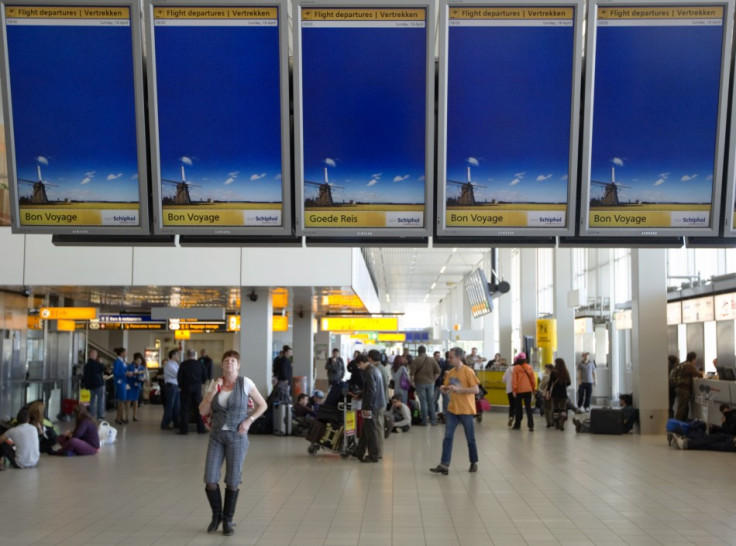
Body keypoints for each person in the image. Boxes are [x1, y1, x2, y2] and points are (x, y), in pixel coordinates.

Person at [199, 350, 267, 536]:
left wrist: (248, 421)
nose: (230, 363)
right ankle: (216, 516)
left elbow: (263, 405)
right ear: (222, 365)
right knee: (210, 479)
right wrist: (213, 391)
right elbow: (203, 410)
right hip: (216, 436)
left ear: (238, 365)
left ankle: (227, 520)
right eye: (227, 360)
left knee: (232, 479)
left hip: (237, 436)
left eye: (233, 360)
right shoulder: (215, 384)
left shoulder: (245, 383)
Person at [430, 347, 480, 475]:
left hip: (466, 410)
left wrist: (459, 390)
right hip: (452, 409)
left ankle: (473, 462)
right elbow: (447, 386)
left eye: (451, 357)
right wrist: (444, 388)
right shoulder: (451, 372)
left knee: (470, 438)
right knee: (447, 437)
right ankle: (444, 464)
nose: (449, 359)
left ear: (458, 358)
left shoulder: (468, 371)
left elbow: (475, 390)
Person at [354, 354, 384, 463]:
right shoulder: (375, 370)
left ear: (362, 363)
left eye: (359, 365)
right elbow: (370, 389)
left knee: (370, 430)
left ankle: (373, 455)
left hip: (372, 406)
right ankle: (359, 451)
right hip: (376, 404)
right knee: (366, 428)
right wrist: (361, 395)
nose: (359, 368)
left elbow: (371, 391)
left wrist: (367, 407)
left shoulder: (369, 372)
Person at [671, 404, 736, 451]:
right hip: (732, 438)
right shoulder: (731, 415)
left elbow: (729, 430)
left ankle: (685, 443)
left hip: (732, 441)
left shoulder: (732, 416)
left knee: (712, 443)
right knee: (713, 439)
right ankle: (686, 443)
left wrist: (724, 423)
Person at [573, 394, 638, 434]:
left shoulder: (629, 409)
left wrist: (611, 420)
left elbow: (624, 421)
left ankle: (581, 427)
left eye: (621, 400)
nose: (620, 401)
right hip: (619, 425)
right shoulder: (626, 408)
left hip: (621, 428)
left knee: (600, 425)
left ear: (624, 400)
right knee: (599, 421)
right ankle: (582, 425)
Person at [178, 348, 208, 434]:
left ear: (187, 355)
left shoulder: (183, 364)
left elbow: (179, 377)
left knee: (185, 409)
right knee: (199, 408)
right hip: (197, 388)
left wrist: (181, 386)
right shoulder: (200, 364)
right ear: (195, 355)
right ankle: (201, 429)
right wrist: (201, 384)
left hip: (185, 388)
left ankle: (184, 430)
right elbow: (205, 376)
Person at [409, 345, 441, 426]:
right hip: (430, 383)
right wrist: (433, 380)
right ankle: (433, 421)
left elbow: (412, 374)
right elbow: (438, 371)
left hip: (419, 383)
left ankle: (424, 421)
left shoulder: (416, 360)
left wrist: (412, 383)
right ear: (425, 351)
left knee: (423, 402)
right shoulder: (432, 360)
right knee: (431, 401)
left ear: (418, 351)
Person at [674, 351, 703, 421]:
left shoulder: (683, 364)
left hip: (678, 387)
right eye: (695, 359)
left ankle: (682, 422)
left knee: (684, 406)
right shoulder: (689, 365)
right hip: (684, 389)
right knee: (682, 407)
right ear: (693, 359)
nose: (695, 361)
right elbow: (697, 374)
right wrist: (702, 373)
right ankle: (677, 424)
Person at [511, 352, 536, 431]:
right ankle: (531, 425)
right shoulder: (529, 367)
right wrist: (533, 389)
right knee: (528, 408)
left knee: (518, 408)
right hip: (528, 390)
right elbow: (533, 380)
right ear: (525, 359)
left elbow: (514, 380)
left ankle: (517, 424)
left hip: (519, 391)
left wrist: (514, 390)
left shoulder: (516, 368)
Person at [547, 358, 571, 431]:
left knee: (556, 409)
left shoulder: (553, 372)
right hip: (563, 393)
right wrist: (564, 385)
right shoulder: (565, 372)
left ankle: (557, 424)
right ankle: (562, 423)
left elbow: (550, 383)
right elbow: (569, 382)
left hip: (555, 393)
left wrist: (548, 390)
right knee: (563, 409)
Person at [82, 348, 106, 420]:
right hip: (98, 384)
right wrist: (101, 362)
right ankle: (100, 415)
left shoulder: (86, 365)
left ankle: (92, 415)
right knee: (100, 400)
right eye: (95, 354)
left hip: (90, 385)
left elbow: (85, 375)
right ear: (92, 354)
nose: (96, 356)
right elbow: (103, 368)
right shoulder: (96, 364)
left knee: (91, 401)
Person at [161, 349, 181, 430]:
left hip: (175, 386)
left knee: (177, 406)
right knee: (170, 406)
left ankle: (176, 423)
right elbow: (178, 374)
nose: (178, 356)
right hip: (171, 386)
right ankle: (165, 424)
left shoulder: (175, 364)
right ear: (173, 355)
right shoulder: (169, 365)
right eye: (177, 354)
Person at [113, 347, 130, 425]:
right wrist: (125, 374)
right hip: (120, 382)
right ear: (121, 353)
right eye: (125, 352)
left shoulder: (123, 361)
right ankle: (119, 418)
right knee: (121, 400)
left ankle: (120, 417)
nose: (126, 354)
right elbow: (115, 373)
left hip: (124, 382)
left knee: (122, 400)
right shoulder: (117, 362)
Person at [126, 353, 145, 422]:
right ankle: (127, 416)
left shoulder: (142, 367)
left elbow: (142, 376)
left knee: (135, 400)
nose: (139, 362)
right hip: (130, 384)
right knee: (128, 400)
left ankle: (135, 415)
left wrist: (142, 378)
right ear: (134, 360)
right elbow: (127, 374)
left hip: (137, 385)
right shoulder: (130, 366)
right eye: (138, 360)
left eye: (140, 361)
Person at [433, 350, 450, 419]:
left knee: (446, 400)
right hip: (437, 384)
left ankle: (445, 414)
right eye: (437, 356)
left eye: (439, 356)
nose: (438, 357)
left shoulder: (444, 363)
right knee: (434, 399)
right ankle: (436, 413)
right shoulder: (433, 363)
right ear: (434, 356)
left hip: (443, 384)